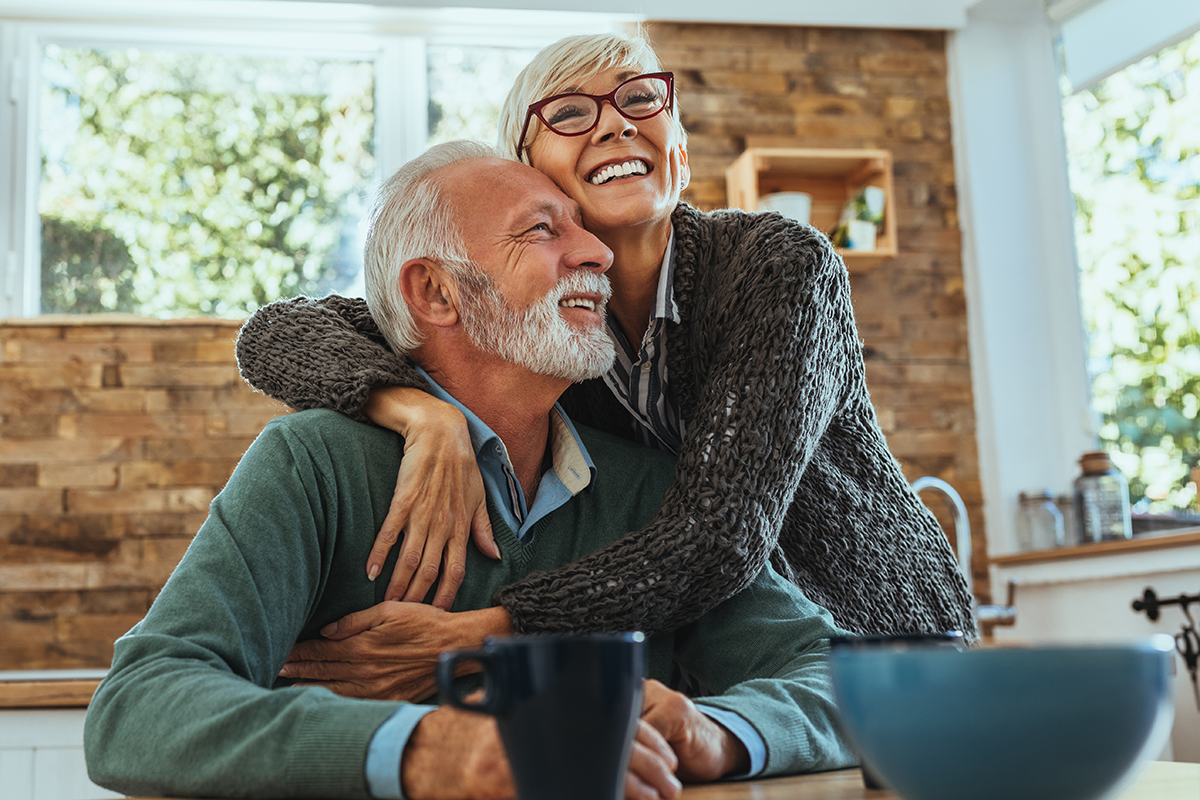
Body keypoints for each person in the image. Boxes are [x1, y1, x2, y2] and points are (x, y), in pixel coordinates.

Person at [84, 142, 856, 800]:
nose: (597, 253)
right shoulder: (314, 464)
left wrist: (714, 728)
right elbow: (140, 706)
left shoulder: (651, 489)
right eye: (543, 231)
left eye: (584, 230)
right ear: (435, 292)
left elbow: (840, 681)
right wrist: (428, 749)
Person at [234, 32, 976, 682]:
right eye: (569, 113)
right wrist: (423, 415)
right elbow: (275, 333)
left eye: (641, 101)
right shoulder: (537, 326)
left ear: (678, 151)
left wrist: (487, 636)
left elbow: (718, 536)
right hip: (704, 666)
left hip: (874, 644)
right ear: (526, 170)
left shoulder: (778, 266)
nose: (616, 123)